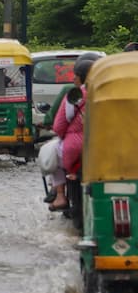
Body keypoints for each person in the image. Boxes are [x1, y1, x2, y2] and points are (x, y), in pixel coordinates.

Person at [49, 59, 95, 211]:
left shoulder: (76, 94)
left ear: (82, 77)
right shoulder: (105, 93)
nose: (73, 78)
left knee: (50, 153)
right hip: (104, 147)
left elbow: (58, 126)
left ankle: (60, 195)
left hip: (75, 148)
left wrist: (64, 135)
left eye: (76, 74)